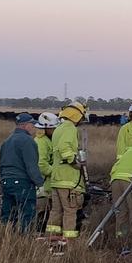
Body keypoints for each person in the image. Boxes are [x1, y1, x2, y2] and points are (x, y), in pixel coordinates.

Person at [47, 101, 89, 241]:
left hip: (56, 179)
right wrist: (74, 161)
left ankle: (51, 240)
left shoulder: (59, 128)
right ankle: (68, 243)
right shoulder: (70, 128)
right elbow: (65, 148)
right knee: (70, 211)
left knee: (56, 211)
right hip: (68, 180)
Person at [0, 114, 45, 232]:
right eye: (32, 124)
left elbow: (1, 163)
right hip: (23, 183)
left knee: (8, 216)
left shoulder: (7, 141)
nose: (34, 127)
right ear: (26, 125)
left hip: (6, 181)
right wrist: (40, 184)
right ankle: (25, 242)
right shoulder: (28, 141)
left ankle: (6, 239)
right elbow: (31, 166)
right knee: (27, 215)